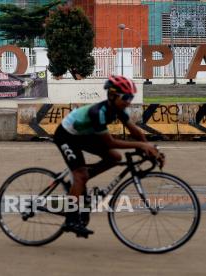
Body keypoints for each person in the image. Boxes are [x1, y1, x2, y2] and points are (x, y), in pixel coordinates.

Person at [53, 75, 164, 238]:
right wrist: (141, 146)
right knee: (80, 175)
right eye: (126, 97)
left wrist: (151, 148)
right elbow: (110, 142)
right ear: (112, 95)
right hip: (66, 136)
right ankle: (71, 218)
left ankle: (82, 180)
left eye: (131, 97)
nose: (129, 101)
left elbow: (134, 130)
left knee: (115, 158)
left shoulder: (118, 109)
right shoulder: (98, 112)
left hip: (84, 134)